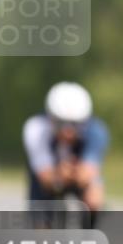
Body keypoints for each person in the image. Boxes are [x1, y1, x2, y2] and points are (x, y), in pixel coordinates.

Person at [23, 82, 109, 227]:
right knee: (41, 231)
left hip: (76, 171)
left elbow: (87, 173)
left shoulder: (97, 131)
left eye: (75, 124)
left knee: (94, 199)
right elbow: (45, 177)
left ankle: (89, 233)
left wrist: (76, 174)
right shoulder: (35, 129)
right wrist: (58, 176)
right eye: (61, 123)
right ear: (50, 118)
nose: (68, 131)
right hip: (48, 175)